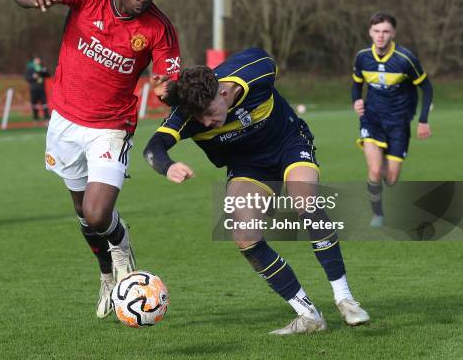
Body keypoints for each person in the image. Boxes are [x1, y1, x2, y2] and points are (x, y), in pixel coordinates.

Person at [143, 48, 370, 334]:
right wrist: (168, 166)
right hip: (247, 166)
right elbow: (153, 148)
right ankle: (309, 315)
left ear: (223, 94)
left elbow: (266, 59)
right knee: (244, 234)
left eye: (210, 113)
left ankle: (345, 298)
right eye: (199, 118)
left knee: (306, 202)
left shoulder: (255, 73)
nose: (205, 123)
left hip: (289, 143)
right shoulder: (190, 113)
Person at [13, 0, 181, 319]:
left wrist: (168, 89)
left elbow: (168, 79)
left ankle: (121, 245)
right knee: (82, 212)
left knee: (97, 211)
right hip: (66, 121)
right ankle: (106, 275)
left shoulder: (158, 28)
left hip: (112, 128)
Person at [352, 12, 433, 227]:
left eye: (385, 31)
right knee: (375, 171)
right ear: (370, 32)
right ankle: (377, 214)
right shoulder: (362, 57)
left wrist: (423, 120)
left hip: (399, 122)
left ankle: (388, 161)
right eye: (377, 31)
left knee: (391, 179)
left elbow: (427, 87)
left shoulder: (405, 59)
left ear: (393, 33)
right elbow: (356, 84)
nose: (380, 36)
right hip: (372, 120)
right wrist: (356, 101)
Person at [24, 56, 50, 120]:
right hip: (34, 89)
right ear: (34, 61)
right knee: (34, 103)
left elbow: (48, 75)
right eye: (36, 60)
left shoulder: (42, 68)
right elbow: (27, 78)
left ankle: (46, 116)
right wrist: (33, 77)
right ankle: (35, 116)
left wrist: (44, 71)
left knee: (44, 102)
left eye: (39, 60)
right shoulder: (30, 69)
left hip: (41, 88)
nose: (38, 61)